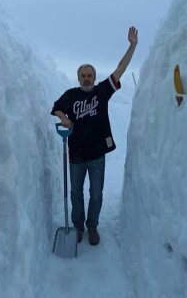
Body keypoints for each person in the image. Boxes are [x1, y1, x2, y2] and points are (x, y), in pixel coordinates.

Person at [51, 26, 138, 245]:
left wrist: (132, 46)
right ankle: (78, 226)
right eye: (83, 76)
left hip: (97, 155)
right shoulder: (71, 95)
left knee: (96, 194)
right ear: (78, 77)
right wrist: (63, 117)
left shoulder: (102, 91)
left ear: (95, 77)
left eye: (90, 75)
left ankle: (92, 227)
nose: (87, 79)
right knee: (76, 193)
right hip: (76, 156)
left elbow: (120, 69)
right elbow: (56, 107)